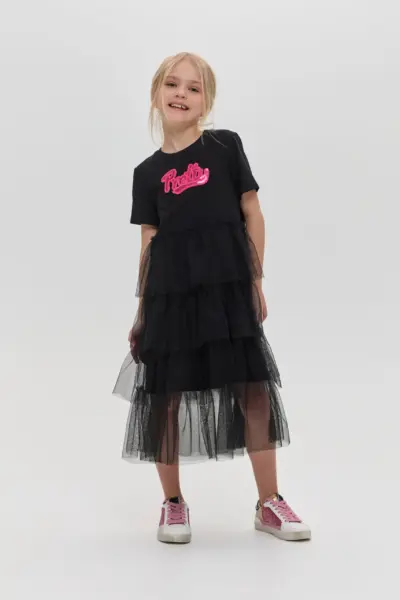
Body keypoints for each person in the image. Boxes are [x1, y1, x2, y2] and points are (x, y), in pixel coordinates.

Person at [113, 52, 311, 544]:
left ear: (207, 102)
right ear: (156, 94)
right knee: (163, 399)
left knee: (253, 390)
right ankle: (173, 503)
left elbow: (252, 211)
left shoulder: (224, 146)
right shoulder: (146, 172)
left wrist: (254, 281)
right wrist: (142, 310)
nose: (181, 93)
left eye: (194, 87)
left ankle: (269, 502)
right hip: (170, 297)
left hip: (226, 290)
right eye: (172, 84)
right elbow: (149, 242)